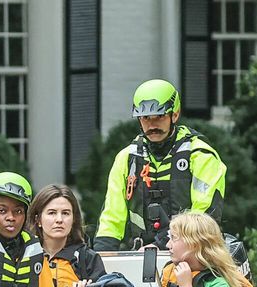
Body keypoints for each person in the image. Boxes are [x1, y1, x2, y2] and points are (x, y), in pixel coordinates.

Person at [93, 79, 227, 251]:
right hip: (141, 255)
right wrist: (101, 256)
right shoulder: (127, 158)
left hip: (194, 254)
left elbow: (203, 216)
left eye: (160, 116)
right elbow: (112, 216)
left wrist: (161, 243)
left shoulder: (200, 155)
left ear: (175, 114)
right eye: (146, 118)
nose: (152, 124)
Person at [27, 185, 107, 287]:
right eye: (51, 213)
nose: (59, 220)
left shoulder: (87, 258)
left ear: (74, 219)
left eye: (65, 213)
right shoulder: (24, 256)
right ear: (38, 219)